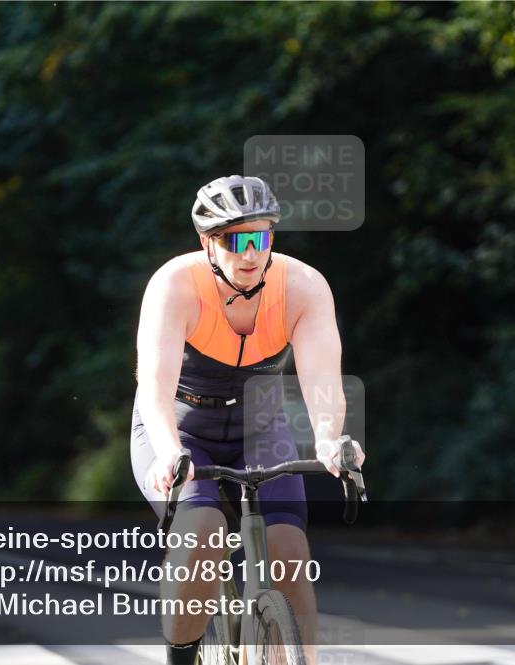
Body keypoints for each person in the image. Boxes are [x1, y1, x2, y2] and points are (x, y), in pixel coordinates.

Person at [131, 174, 365, 665]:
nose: (250, 254)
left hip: (259, 428)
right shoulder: (175, 285)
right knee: (203, 534)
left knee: (289, 552)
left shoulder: (302, 287)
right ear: (207, 244)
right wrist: (169, 451)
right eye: (234, 241)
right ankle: (181, 658)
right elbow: (154, 385)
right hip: (181, 426)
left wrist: (329, 439)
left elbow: (323, 379)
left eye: (260, 238)